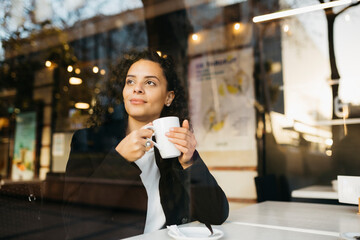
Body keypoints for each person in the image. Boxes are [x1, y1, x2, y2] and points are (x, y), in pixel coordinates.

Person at [62, 50, 229, 239]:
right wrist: (118, 161)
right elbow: (73, 225)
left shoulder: (171, 146)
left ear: (169, 97)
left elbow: (216, 214)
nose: (137, 88)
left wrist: (190, 162)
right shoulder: (89, 141)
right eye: (130, 81)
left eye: (150, 82)